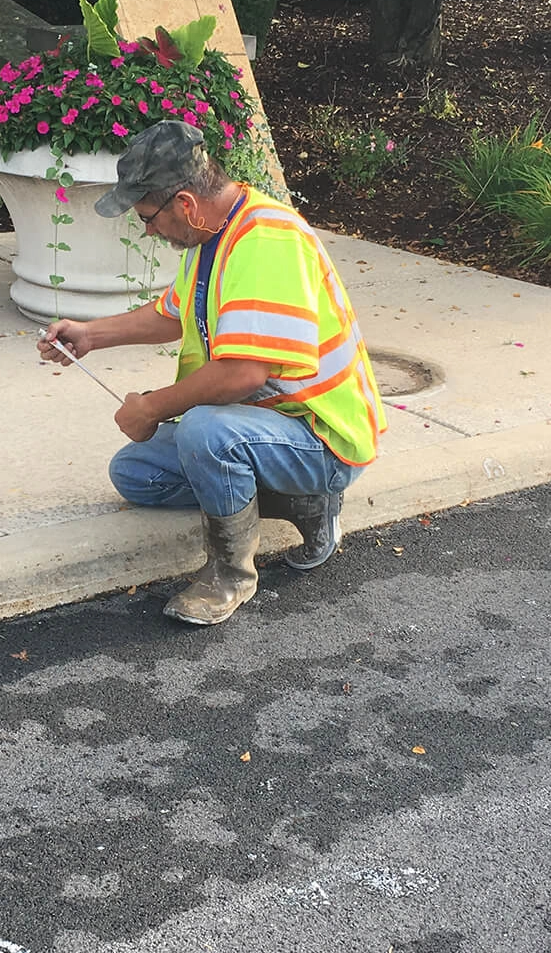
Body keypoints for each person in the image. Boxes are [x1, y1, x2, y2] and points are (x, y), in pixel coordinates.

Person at [39, 120, 386, 626]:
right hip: (267, 425)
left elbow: (243, 372)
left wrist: (152, 407)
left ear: (184, 203)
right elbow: (171, 314)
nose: (147, 230)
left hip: (323, 438)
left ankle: (230, 576)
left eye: (147, 216)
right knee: (136, 473)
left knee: (206, 432)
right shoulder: (210, 235)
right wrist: (91, 335)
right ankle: (305, 506)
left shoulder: (268, 239)